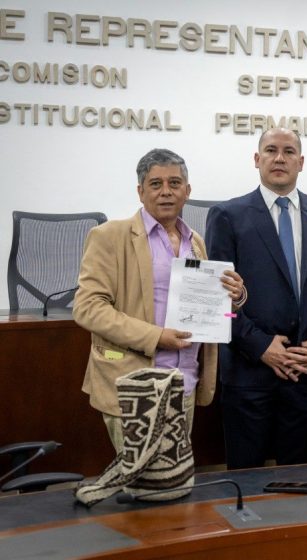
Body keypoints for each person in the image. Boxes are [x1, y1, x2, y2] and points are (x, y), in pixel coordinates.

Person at [74, 148, 245, 452]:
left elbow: (212, 310)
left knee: (173, 485)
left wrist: (233, 298)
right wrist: (156, 337)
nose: (166, 192)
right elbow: (88, 308)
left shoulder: (195, 242)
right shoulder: (109, 236)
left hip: (185, 383)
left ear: (187, 191)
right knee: (145, 488)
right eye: (156, 184)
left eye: (174, 183)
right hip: (136, 386)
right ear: (140, 192)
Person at [206, 128, 307, 468]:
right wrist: (260, 346)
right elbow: (215, 300)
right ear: (257, 160)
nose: (279, 158)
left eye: (288, 151)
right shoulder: (227, 216)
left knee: (299, 482)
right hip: (248, 371)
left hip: (306, 371)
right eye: (271, 150)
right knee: (245, 482)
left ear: (301, 162)